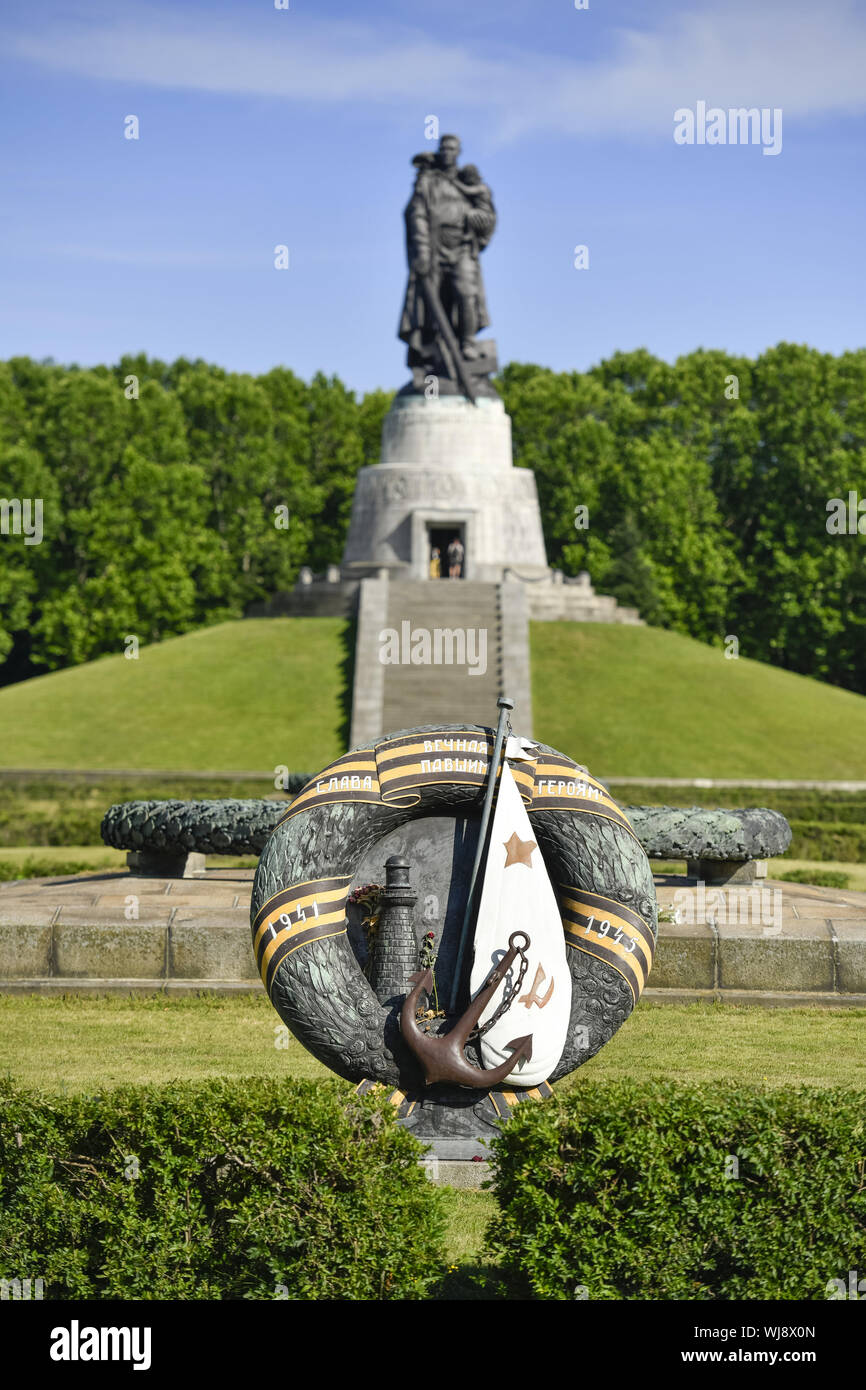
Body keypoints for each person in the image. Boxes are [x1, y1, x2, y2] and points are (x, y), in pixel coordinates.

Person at [399, 135, 496, 384]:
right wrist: (421, 250)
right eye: (443, 148)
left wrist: (478, 219)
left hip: (462, 248)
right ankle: (432, 356)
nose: (447, 152)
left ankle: (467, 344)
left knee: (466, 294)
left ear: (459, 152)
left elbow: (488, 214)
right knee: (434, 304)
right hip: (433, 251)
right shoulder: (428, 181)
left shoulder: (468, 182)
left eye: (452, 148)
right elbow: (416, 213)